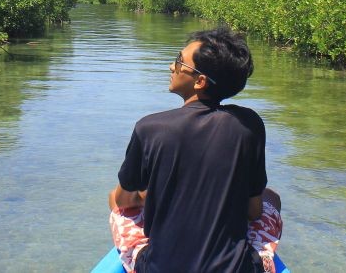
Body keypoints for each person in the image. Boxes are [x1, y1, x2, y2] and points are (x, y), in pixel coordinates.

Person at [108, 28, 283, 273]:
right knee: (271, 198)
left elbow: (124, 201)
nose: (172, 66)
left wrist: (144, 197)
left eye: (179, 61)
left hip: (160, 268)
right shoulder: (249, 124)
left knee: (117, 203)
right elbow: (254, 211)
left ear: (200, 81)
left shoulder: (149, 128)